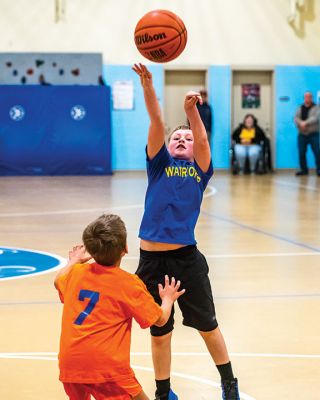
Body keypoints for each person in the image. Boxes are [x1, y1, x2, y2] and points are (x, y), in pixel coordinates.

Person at [132, 63, 240, 400]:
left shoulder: (201, 169)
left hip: (186, 261)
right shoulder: (158, 164)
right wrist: (148, 86)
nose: (181, 139)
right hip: (151, 262)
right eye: (176, 137)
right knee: (160, 332)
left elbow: (203, 138)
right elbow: (157, 123)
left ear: (195, 147)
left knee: (207, 326)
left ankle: (229, 383)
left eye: (187, 138)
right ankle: (163, 391)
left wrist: (192, 112)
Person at [54, 213, 185, 400]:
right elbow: (160, 319)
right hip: (107, 368)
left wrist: (74, 260)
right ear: (125, 248)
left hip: (70, 364)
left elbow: (58, 280)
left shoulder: (75, 273)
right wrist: (168, 300)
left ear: (90, 250)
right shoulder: (128, 284)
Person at [294, 91, 320, 176]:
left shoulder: (317, 107)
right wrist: (300, 123)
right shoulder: (299, 107)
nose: (307, 98)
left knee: (317, 152)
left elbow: (315, 118)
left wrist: (305, 123)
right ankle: (304, 170)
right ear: (304, 98)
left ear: (311, 98)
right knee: (301, 153)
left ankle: (319, 170)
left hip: (313, 134)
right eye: (306, 97)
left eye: (309, 97)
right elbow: (295, 118)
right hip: (302, 135)